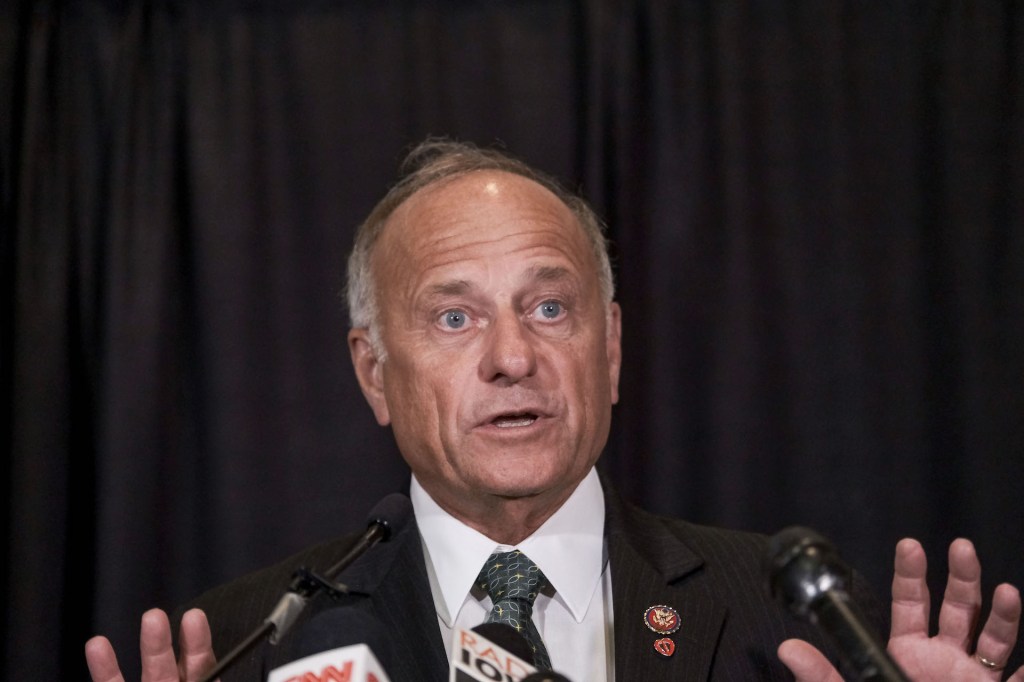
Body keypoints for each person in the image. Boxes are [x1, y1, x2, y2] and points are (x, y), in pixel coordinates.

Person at [85, 139, 1022, 681]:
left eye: (548, 307)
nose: (511, 357)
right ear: (373, 373)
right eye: (454, 317)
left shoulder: (806, 630)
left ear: (609, 350)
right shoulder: (249, 645)